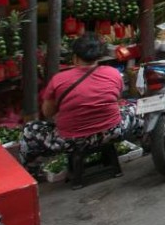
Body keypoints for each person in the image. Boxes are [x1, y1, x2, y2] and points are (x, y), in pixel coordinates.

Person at [19, 34, 139, 166]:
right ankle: (147, 143)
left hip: (71, 140)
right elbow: (117, 99)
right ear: (98, 57)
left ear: (75, 57)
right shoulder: (113, 73)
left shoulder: (59, 80)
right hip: (112, 132)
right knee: (136, 106)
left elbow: (47, 112)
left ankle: (32, 170)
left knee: (29, 130)